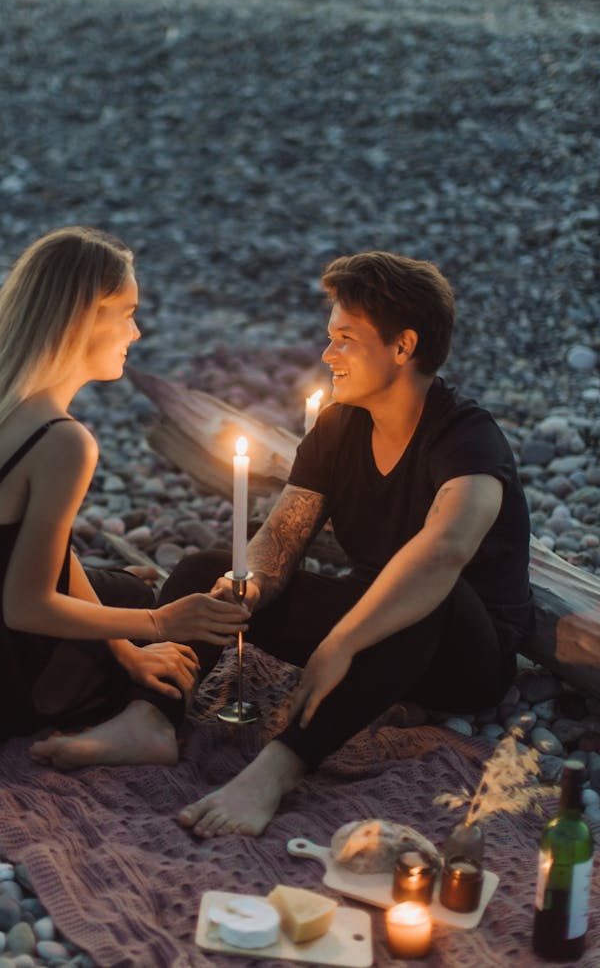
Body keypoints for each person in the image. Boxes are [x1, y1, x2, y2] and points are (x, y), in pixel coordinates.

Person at [165, 250, 532, 836]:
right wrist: (251, 585)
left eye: (344, 338)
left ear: (403, 346)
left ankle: (277, 768)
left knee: (419, 595)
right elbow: (282, 535)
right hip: (370, 624)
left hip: (462, 654)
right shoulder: (338, 427)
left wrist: (341, 641)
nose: (326, 354)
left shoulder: (468, 440)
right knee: (202, 573)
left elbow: (442, 554)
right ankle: (152, 717)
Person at [0, 227, 248, 755]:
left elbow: (7, 550)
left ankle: (130, 657)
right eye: (127, 312)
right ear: (84, 317)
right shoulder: (61, 441)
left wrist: (125, 647)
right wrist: (159, 624)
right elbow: (26, 607)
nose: (136, 332)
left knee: (123, 591)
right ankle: (148, 728)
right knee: (153, 606)